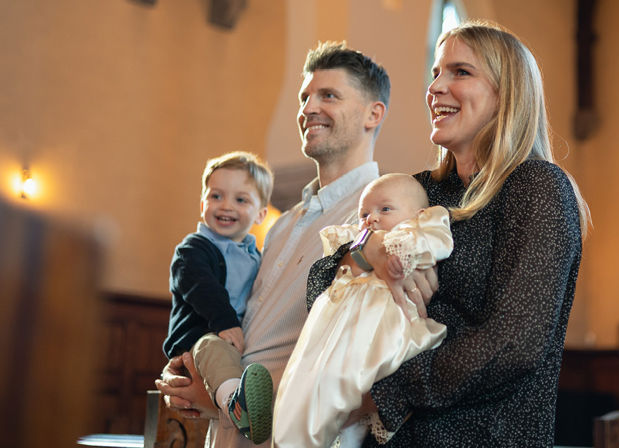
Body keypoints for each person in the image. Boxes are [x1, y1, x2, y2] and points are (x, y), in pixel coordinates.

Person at [305, 21, 591, 447]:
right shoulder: (421, 189)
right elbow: (319, 287)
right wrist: (368, 252)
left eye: (460, 72)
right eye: (436, 72)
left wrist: (385, 392)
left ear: (507, 93)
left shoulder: (536, 187)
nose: (435, 87)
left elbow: (514, 344)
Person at [156, 41, 413, 448]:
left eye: (329, 95)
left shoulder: (380, 218)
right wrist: (198, 370)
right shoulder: (280, 224)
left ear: (373, 113)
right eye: (304, 97)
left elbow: (361, 358)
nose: (309, 108)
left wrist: (224, 399)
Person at [272, 173, 453, 448]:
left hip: (381, 329)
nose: (372, 219)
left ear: (419, 214)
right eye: (364, 214)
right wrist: (365, 247)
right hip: (335, 335)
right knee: (305, 389)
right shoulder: (357, 239)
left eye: (385, 209)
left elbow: (434, 243)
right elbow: (326, 271)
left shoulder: (414, 231)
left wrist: (405, 254)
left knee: (345, 400)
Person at [162, 151, 275, 444]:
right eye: (216, 196)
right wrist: (225, 322)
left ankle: (241, 395)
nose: (226, 206)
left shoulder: (256, 256)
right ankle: (235, 405)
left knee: (226, 357)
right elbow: (202, 287)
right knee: (213, 348)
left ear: (260, 214)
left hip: (232, 344)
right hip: (198, 340)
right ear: (203, 205)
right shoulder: (193, 250)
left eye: (241, 199)